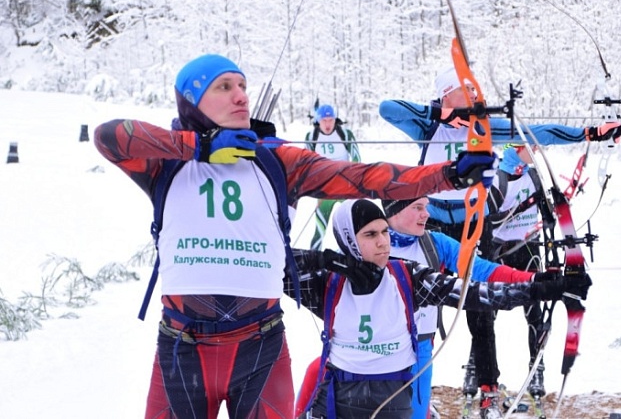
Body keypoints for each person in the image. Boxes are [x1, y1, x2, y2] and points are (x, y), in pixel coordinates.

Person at [92, 54, 497, 419]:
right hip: (183, 345)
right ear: (190, 101)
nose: (241, 96)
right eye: (224, 87)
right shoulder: (164, 163)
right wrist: (199, 146)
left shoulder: (277, 161)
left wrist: (450, 174)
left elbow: (364, 177)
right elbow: (108, 136)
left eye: (243, 86)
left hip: (259, 347)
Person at [379, 65, 621, 418]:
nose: (477, 97)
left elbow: (537, 133)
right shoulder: (426, 125)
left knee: (480, 305)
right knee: (415, 302)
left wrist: (590, 132)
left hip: (474, 222)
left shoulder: (485, 127)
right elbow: (388, 108)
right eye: (467, 90)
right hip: (428, 224)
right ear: (448, 92)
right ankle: (401, 380)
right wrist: (443, 114)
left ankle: (489, 388)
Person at [286, 199, 591, 418]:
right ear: (349, 240)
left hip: (400, 381)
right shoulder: (327, 283)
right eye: (370, 235)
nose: (382, 243)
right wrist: (325, 260)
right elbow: (271, 266)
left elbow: (479, 291)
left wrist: (543, 286)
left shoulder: (408, 275)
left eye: (383, 233)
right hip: (341, 397)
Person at [381, 196, 545, 419]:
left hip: (420, 349)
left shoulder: (434, 243)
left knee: (415, 414)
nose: (426, 214)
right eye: (417, 208)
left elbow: (484, 271)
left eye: (426, 207)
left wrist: (536, 280)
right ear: (394, 212)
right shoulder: (368, 242)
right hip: (375, 349)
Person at [488, 144, 547, 399]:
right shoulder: (495, 179)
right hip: (500, 251)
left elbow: (548, 212)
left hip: (529, 249)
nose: (534, 152)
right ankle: (478, 369)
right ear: (515, 150)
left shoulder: (533, 176)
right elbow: (485, 219)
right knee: (485, 312)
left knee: (535, 311)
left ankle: (537, 368)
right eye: (528, 148)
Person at [304, 104, 361, 249]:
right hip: (325, 189)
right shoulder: (311, 137)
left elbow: (356, 159)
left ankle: (357, 258)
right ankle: (313, 262)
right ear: (318, 121)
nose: (328, 124)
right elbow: (307, 164)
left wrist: (351, 178)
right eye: (324, 120)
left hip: (344, 187)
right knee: (319, 231)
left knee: (354, 228)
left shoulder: (345, 134)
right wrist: (315, 186)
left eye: (331, 120)